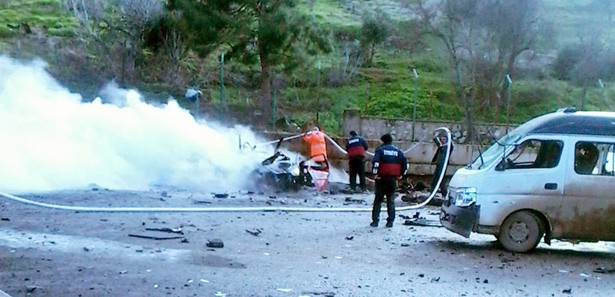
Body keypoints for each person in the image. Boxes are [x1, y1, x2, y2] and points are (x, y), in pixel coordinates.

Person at [370, 133, 407, 228]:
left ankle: (375, 221)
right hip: (393, 179)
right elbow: (405, 164)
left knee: (378, 200)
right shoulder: (399, 151)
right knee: (390, 200)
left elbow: (376, 163)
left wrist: (375, 174)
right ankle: (390, 222)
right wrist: (401, 175)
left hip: (381, 178)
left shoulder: (380, 150)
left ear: (383, 141)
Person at [429, 132, 454, 197]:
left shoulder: (449, 147)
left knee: (441, 178)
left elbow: (451, 143)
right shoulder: (441, 146)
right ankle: (433, 192)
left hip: (443, 165)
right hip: (438, 164)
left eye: (444, 140)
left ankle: (444, 193)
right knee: (435, 179)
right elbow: (435, 139)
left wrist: (448, 134)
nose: (442, 141)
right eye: (442, 140)